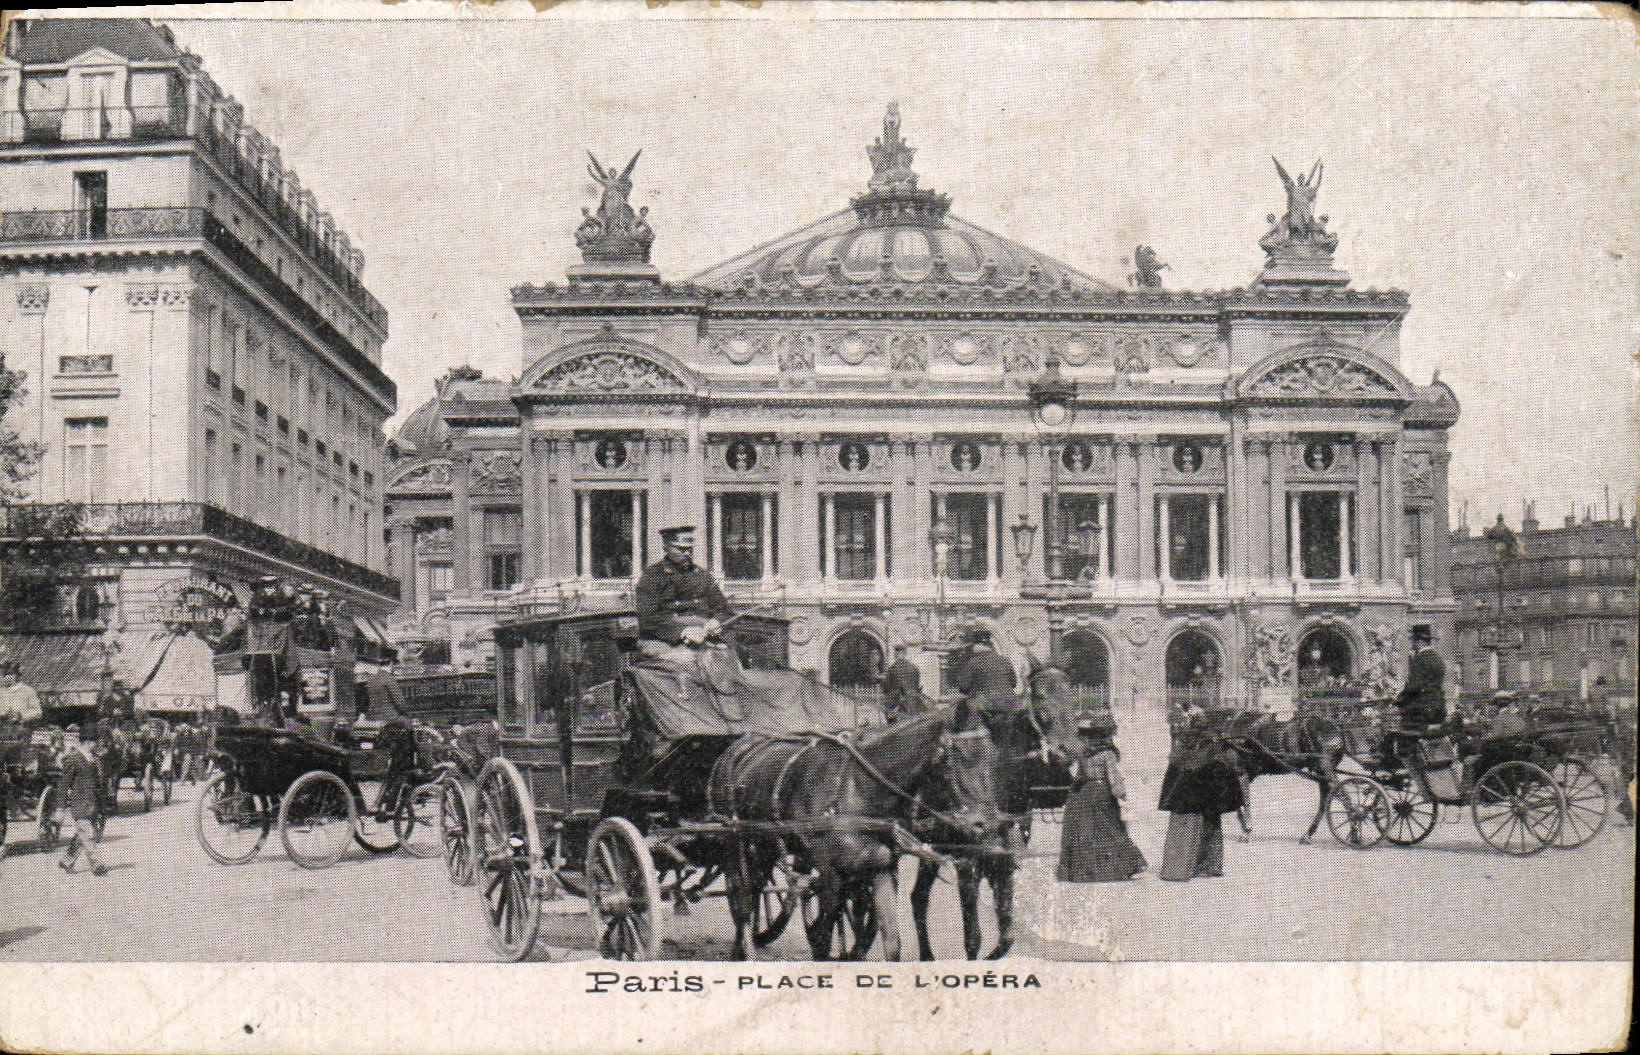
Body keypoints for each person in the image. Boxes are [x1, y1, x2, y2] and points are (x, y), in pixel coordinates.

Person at [1057, 717, 1147, 883]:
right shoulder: (1107, 753)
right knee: (1110, 827)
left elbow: (1079, 775)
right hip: (1101, 791)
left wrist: (1075, 790)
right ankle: (1113, 868)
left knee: (1086, 831)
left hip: (1085, 793)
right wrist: (1121, 793)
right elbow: (1113, 776)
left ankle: (1087, 871)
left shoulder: (1083, 753)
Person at [1158, 729, 1249, 882]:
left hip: (1183, 805)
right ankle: (1206, 866)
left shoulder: (1179, 755)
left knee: (1187, 833)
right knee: (1209, 828)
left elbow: (1170, 784)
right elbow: (1226, 779)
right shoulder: (1214, 753)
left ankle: (1185, 867)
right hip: (1203, 804)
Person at [634, 525, 734, 663]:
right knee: (687, 661)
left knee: (724, 658)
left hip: (701, 638)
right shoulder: (652, 576)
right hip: (661, 640)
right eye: (681, 549)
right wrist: (683, 632)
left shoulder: (702, 576)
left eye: (690, 549)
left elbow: (723, 609)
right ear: (666, 547)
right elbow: (648, 619)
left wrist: (716, 621)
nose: (687, 553)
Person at [56, 725, 109, 876]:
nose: (97, 745)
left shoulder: (94, 759)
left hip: (93, 805)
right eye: (95, 742)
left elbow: (99, 784)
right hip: (80, 805)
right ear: (87, 742)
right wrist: (60, 809)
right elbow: (63, 785)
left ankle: (66, 860)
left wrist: (102, 805)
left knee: (82, 835)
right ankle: (96, 864)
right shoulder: (73, 759)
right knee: (88, 834)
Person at [952, 628, 1019, 712]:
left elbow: (964, 685)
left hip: (988, 704)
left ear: (976, 646)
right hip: (1010, 703)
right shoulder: (1004, 660)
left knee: (962, 707)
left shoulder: (974, 662)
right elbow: (1014, 683)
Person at [879, 645, 923, 720]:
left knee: (886, 709)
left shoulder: (892, 669)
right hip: (913, 702)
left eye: (895, 653)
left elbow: (886, 687)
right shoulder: (914, 668)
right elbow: (917, 686)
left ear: (895, 654)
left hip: (897, 703)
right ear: (905, 653)